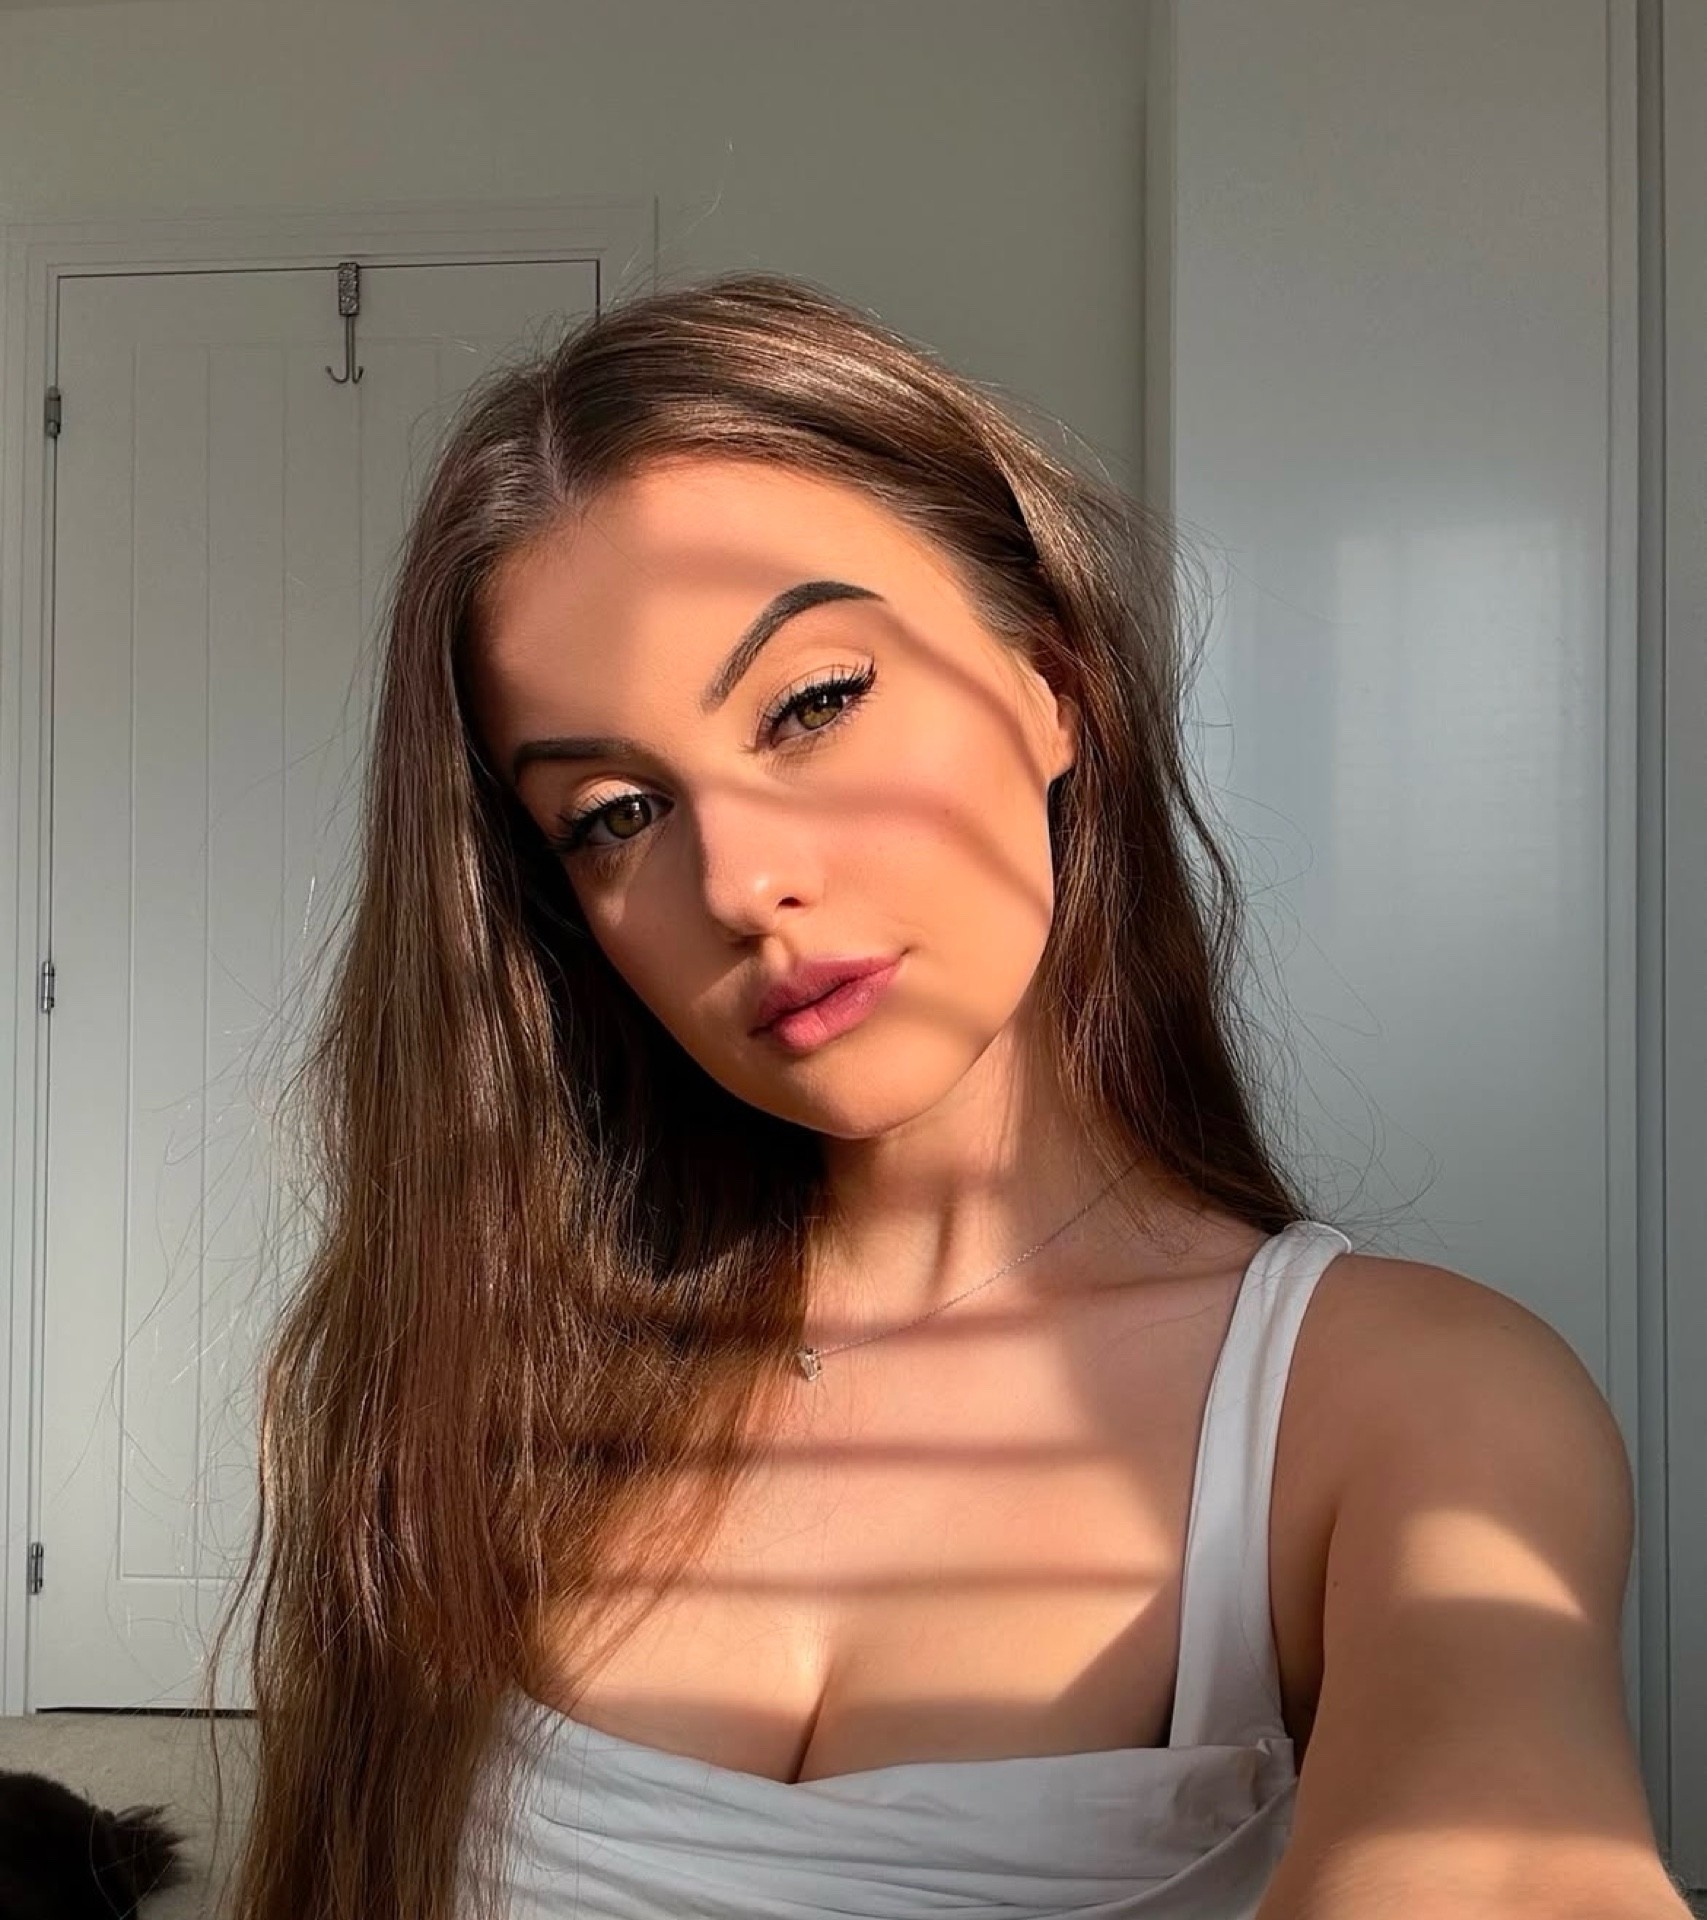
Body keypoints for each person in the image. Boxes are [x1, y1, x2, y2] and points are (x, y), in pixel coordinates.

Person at [215, 273, 1684, 1920]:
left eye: (814, 705)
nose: (742, 883)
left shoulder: (1405, 1408)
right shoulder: (491, 1376)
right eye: (617, 812)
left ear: (1052, 686)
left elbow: (1501, 1838)